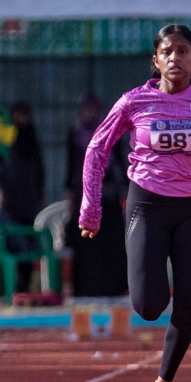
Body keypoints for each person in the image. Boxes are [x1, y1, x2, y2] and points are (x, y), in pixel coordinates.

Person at [78, 24, 191, 382]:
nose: (176, 58)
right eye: (168, 51)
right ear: (156, 60)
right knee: (149, 306)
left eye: (184, 50)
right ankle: (152, 280)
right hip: (146, 206)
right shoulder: (134, 102)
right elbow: (96, 151)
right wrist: (91, 209)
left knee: (189, 304)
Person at [66, 93, 129, 298]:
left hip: (108, 196)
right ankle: (86, 289)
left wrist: (126, 191)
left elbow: (120, 162)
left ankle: (113, 288)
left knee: (111, 243)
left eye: (93, 109)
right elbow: (71, 168)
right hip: (84, 197)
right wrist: (71, 198)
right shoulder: (75, 134)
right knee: (86, 244)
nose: (90, 113)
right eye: (87, 109)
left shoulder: (111, 131)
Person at [0, 101, 44, 226]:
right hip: (11, 195)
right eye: (20, 115)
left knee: (29, 228)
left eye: (26, 115)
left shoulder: (31, 136)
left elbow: (39, 167)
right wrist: (2, 187)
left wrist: (40, 192)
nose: (23, 119)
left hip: (30, 195)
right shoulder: (7, 137)